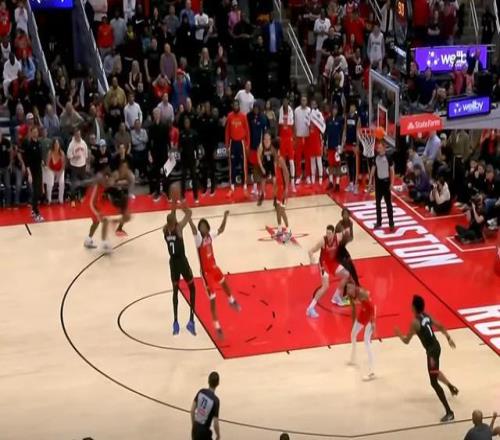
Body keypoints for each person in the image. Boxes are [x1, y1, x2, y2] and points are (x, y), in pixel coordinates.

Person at [395, 295, 459, 422]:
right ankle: (450, 386)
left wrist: (399, 335)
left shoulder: (415, 322)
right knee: (434, 371)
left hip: (431, 352)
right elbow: (440, 326)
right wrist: (448, 338)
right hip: (436, 346)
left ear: (414, 307)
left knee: (433, 382)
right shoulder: (426, 316)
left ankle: (449, 412)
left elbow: (406, 341)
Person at [189, 211, 241, 338]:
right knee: (213, 299)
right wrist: (189, 219)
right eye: (200, 227)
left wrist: (225, 217)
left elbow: (221, 229)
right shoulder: (198, 239)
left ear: (207, 227)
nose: (202, 228)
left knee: (224, 281)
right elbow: (194, 230)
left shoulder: (210, 235)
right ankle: (217, 327)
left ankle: (231, 300)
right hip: (206, 273)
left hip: (213, 267)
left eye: (204, 226)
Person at [163, 207, 197, 336]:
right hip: (182, 262)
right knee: (192, 288)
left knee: (175, 291)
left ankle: (175, 323)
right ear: (174, 222)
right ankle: (191, 321)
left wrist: (173, 208)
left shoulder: (164, 230)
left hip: (173, 263)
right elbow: (189, 213)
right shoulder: (178, 228)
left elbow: (171, 217)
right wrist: (182, 206)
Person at [306, 224, 349, 318]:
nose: (328, 235)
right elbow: (310, 251)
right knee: (325, 286)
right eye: (327, 233)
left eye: (329, 233)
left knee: (346, 274)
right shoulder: (323, 241)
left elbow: (346, 232)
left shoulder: (338, 237)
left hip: (333, 263)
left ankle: (336, 297)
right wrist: (311, 259)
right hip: (324, 264)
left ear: (333, 233)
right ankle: (310, 308)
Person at [346, 280, 376, 380]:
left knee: (366, 342)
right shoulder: (351, 295)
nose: (349, 290)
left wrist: (373, 322)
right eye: (347, 288)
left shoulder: (362, 293)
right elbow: (353, 309)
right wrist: (353, 323)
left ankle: (371, 372)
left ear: (354, 287)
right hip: (363, 313)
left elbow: (372, 308)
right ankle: (353, 358)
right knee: (353, 334)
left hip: (370, 315)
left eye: (350, 287)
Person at [225, 99, 250, 197]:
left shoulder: (243, 116)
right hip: (233, 143)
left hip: (241, 142)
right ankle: (232, 187)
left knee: (244, 165)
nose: (236, 106)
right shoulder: (229, 116)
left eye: (237, 105)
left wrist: (247, 144)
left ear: (239, 106)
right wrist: (227, 145)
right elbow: (227, 131)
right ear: (233, 106)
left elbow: (247, 131)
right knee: (232, 166)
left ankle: (245, 187)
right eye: (234, 105)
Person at [369, 139, 394, 230]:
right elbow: (373, 169)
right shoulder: (375, 157)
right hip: (378, 183)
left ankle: (391, 223)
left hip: (386, 183)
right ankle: (379, 222)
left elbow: (392, 171)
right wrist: (370, 181)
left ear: (384, 148)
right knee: (378, 204)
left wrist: (392, 183)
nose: (378, 149)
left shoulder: (388, 157)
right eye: (377, 148)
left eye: (379, 148)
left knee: (388, 204)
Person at [191, 371, 220, 440]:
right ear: (218, 383)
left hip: (196, 427)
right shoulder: (215, 400)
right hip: (204, 432)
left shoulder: (201, 391)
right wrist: (218, 435)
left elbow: (192, 410)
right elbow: (215, 423)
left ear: (208, 381)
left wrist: (194, 426)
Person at [23, 126, 44, 222]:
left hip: (39, 170)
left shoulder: (39, 143)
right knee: (35, 192)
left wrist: (42, 162)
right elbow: (27, 161)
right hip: (32, 171)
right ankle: (36, 213)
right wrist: (29, 174)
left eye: (36, 131)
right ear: (31, 133)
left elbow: (39, 156)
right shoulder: (29, 145)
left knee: (39, 191)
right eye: (34, 132)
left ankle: (33, 209)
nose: (36, 133)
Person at [273, 143, 291, 242]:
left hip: (283, 188)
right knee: (277, 209)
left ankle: (288, 230)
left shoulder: (280, 159)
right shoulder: (275, 160)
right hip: (278, 188)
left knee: (282, 210)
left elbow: (286, 173)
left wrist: (286, 188)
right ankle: (279, 229)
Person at [278, 97, 295, 192]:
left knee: (291, 161)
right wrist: (278, 136)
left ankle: (292, 183)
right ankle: (283, 182)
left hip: (289, 138)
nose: (285, 102)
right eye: (283, 101)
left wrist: (293, 138)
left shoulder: (291, 111)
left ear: (288, 102)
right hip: (282, 139)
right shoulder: (280, 110)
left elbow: (293, 125)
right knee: (282, 162)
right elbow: (279, 125)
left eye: (286, 101)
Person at [325, 104, 343, 191]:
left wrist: (341, 145)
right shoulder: (328, 120)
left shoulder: (340, 120)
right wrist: (325, 145)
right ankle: (331, 182)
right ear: (331, 110)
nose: (334, 111)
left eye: (336, 109)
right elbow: (326, 133)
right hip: (330, 146)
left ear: (337, 110)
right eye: (333, 109)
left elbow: (342, 133)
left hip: (337, 147)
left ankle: (338, 184)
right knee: (330, 165)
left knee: (337, 166)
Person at [343, 102, 360, 193]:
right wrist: (343, 143)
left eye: (353, 106)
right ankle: (350, 184)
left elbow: (358, 132)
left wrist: (357, 144)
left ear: (355, 108)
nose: (351, 108)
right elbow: (345, 129)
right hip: (348, 143)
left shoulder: (357, 118)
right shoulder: (347, 117)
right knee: (349, 164)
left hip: (354, 144)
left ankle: (355, 185)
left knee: (355, 165)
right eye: (350, 106)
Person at [255, 131, 275, 206]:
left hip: (272, 164)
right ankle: (262, 194)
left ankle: (276, 197)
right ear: (263, 139)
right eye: (265, 138)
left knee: (275, 180)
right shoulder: (261, 146)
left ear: (270, 138)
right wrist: (262, 168)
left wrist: (275, 167)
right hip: (265, 164)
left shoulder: (273, 145)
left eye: (268, 138)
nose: (266, 139)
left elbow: (276, 157)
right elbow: (258, 159)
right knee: (263, 179)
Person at [45, 138, 65, 205]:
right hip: (51, 170)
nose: (56, 145)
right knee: (50, 183)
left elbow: (63, 166)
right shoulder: (50, 152)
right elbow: (47, 164)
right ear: (53, 145)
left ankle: (60, 199)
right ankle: (49, 199)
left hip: (60, 170)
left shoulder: (62, 153)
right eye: (55, 144)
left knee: (61, 182)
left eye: (57, 144)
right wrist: (53, 173)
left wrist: (59, 174)